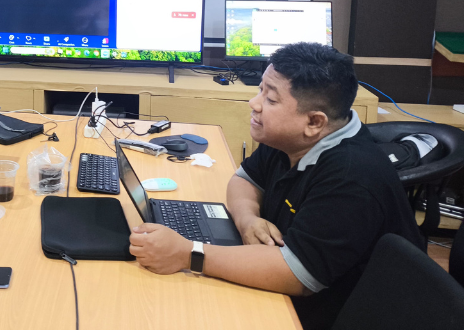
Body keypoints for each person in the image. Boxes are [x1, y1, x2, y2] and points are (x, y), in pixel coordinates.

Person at [128, 42, 424, 329]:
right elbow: (244, 180)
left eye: (270, 99)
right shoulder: (289, 138)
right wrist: (247, 219)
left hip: (341, 314)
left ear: (314, 122)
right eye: (260, 90)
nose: (254, 103)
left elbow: (298, 274)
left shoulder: (352, 177)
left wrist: (188, 253)